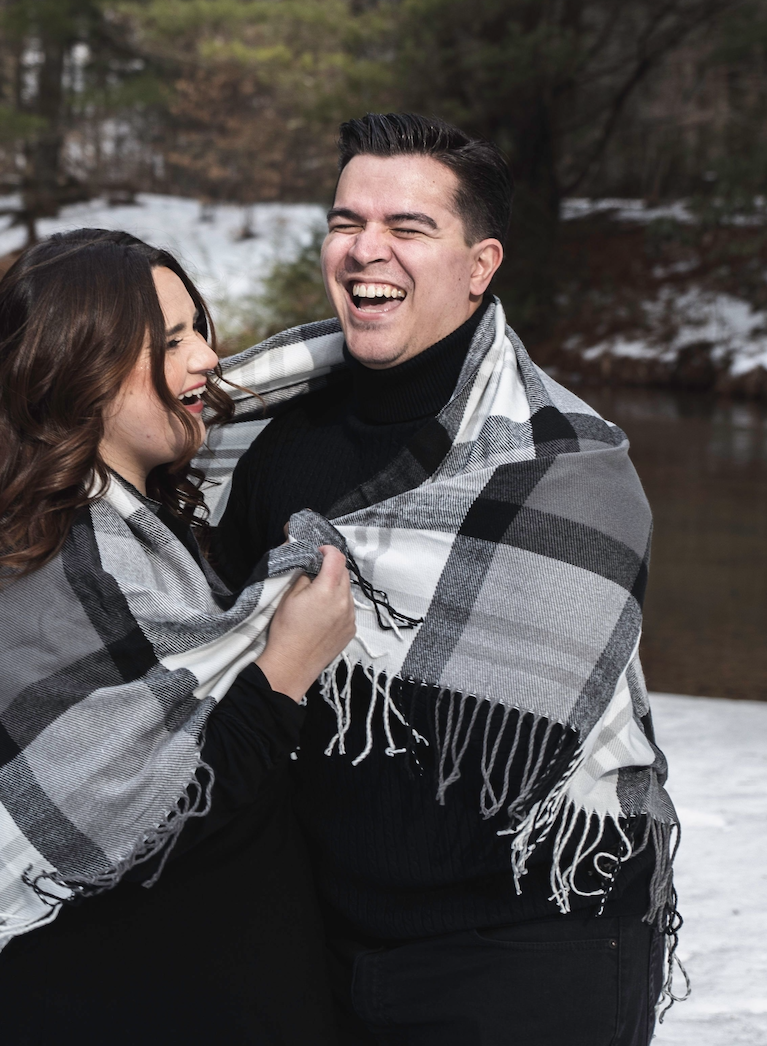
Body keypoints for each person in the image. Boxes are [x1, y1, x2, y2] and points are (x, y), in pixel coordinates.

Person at [0, 229, 354, 1046]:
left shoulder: (135, 530)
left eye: (200, 328)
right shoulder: (48, 557)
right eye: (171, 342)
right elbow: (142, 823)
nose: (207, 359)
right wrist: (280, 678)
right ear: (78, 367)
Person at [210, 113, 682, 1046]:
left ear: (480, 264)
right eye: (346, 221)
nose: (364, 249)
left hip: (532, 945)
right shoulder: (269, 438)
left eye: (408, 227)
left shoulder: (568, 468)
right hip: (327, 937)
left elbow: (525, 747)